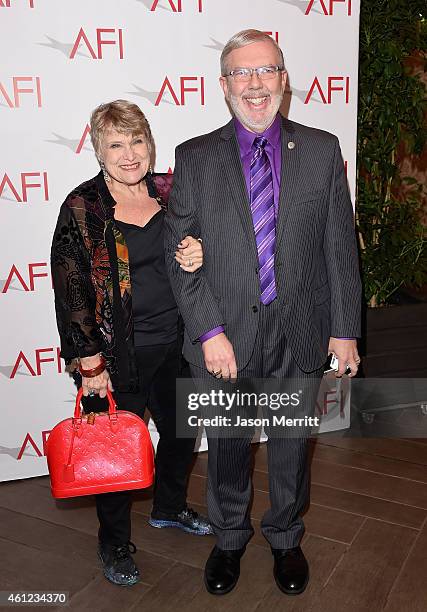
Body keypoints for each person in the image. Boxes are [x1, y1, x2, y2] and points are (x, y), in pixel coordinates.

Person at [164, 30, 362, 596]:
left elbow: (339, 248)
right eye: (242, 73)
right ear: (224, 84)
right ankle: (228, 538)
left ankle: (284, 536)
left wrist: (345, 329)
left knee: (291, 444)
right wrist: (208, 331)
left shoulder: (322, 151)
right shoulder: (195, 158)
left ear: (283, 80)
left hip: (300, 327)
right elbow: (183, 258)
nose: (255, 84)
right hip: (226, 333)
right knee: (226, 444)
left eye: (266, 71)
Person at [51, 100, 212, 588]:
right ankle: (114, 542)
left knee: (183, 436)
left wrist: (200, 250)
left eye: (136, 141)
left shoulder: (172, 191)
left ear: (150, 143)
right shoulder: (83, 207)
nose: (129, 154)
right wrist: (88, 359)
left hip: (179, 344)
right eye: (115, 144)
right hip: (116, 356)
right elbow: (72, 286)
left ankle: (167, 507)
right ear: (99, 151)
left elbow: (212, 242)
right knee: (115, 454)